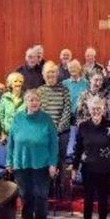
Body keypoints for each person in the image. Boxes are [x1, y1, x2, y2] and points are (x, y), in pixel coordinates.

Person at [6, 89, 58, 219]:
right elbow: (10, 142)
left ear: (40, 102)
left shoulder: (47, 119)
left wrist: (53, 163)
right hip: (21, 163)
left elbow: (54, 143)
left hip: (42, 163)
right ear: (25, 102)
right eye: (30, 100)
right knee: (25, 193)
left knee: (41, 194)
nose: (33, 102)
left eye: (36, 100)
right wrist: (9, 161)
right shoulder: (17, 118)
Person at [72, 96, 110, 219]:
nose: (96, 111)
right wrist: (74, 168)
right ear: (89, 109)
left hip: (105, 168)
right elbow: (78, 148)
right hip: (88, 167)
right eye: (93, 108)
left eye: (99, 108)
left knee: (103, 197)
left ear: (103, 109)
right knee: (88, 197)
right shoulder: (83, 126)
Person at [37, 61, 72, 190]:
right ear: (43, 75)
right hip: (45, 133)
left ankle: (60, 185)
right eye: (48, 72)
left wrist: (57, 131)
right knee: (46, 159)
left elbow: (67, 111)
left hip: (62, 132)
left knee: (60, 159)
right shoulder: (39, 91)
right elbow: (38, 112)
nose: (50, 75)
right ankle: (48, 186)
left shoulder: (64, 89)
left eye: (53, 72)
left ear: (57, 74)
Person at [0, 72, 25, 137]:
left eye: (20, 81)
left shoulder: (26, 98)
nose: (18, 83)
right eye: (15, 81)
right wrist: (2, 133)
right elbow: (0, 116)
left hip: (22, 136)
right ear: (10, 84)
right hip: (7, 136)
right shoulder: (4, 98)